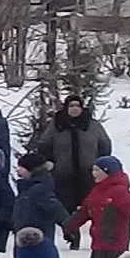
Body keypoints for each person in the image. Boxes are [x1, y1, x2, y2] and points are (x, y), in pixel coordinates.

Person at [43, 93, 108, 239]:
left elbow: (104, 145)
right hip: (63, 173)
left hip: (88, 173)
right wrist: (49, 162)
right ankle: (72, 235)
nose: (74, 109)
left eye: (77, 106)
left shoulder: (92, 125)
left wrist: (101, 165)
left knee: (92, 206)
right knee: (67, 207)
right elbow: (45, 144)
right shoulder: (56, 125)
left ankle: (97, 235)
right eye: (71, 106)